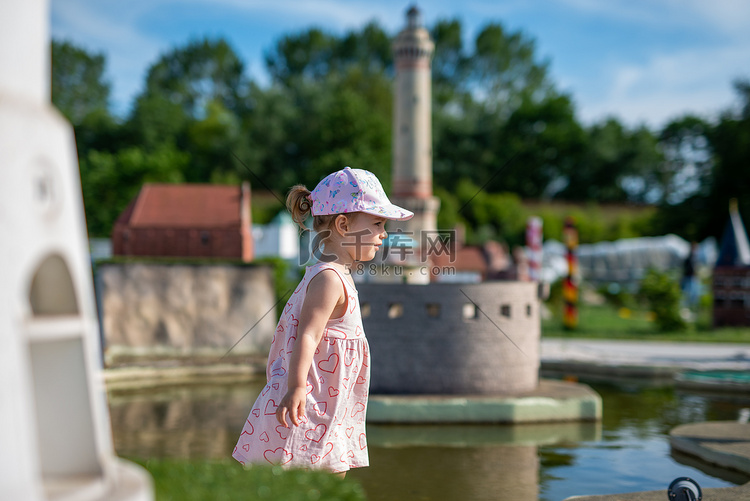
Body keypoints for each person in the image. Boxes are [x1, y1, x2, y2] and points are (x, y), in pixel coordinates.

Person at [232, 167, 413, 476]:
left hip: (330, 403)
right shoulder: (328, 279)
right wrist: (297, 387)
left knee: (330, 471)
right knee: (313, 471)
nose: (384, 233)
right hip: (312, 402)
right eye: (378, 223)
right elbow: (308, 336)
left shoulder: (339, 275)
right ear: (343, 225)